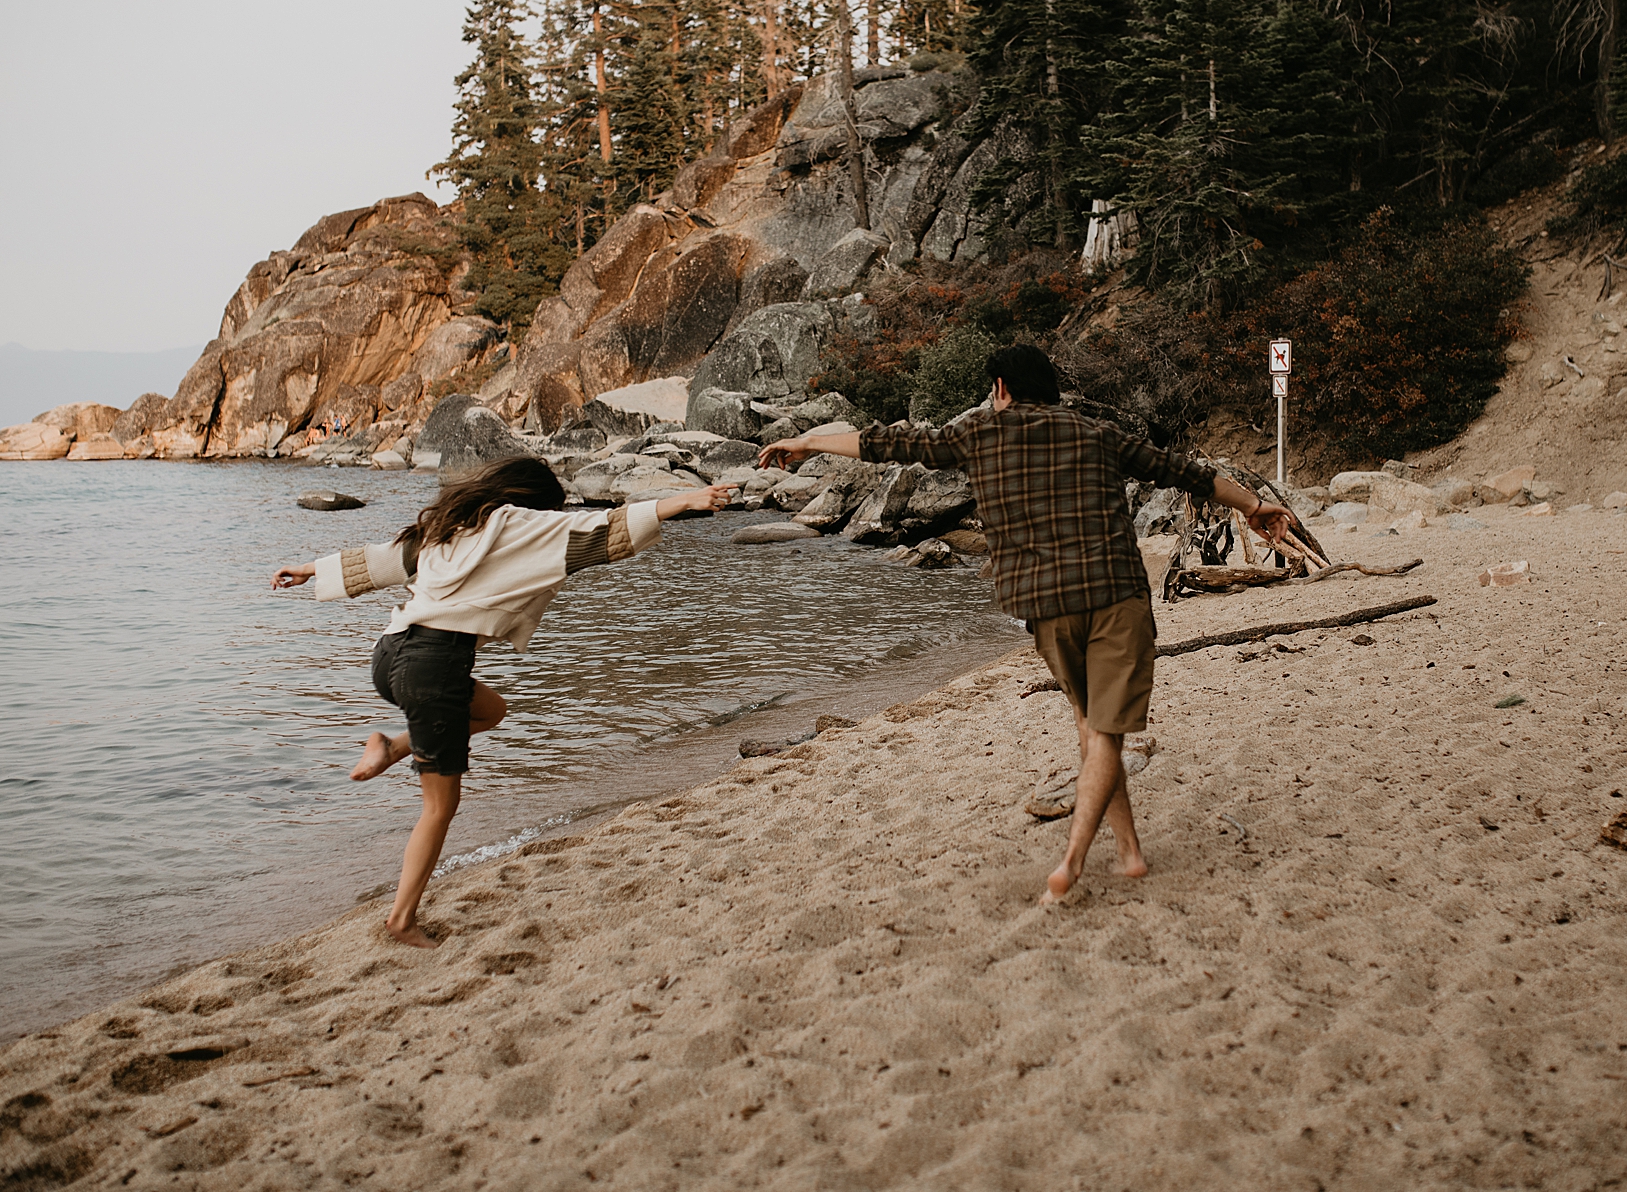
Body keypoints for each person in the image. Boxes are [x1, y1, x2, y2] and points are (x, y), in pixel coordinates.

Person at [758, 344, 1296, 905]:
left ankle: (1131, 853)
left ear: (999, 389)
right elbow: (1186, 473)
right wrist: (1253, 505)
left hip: (1044, 604)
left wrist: (807, 440)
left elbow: (887, 442)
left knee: (1093, 726)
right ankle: (1072, 862)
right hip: (1114, 592)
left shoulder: (974, 435)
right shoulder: (1096, 434)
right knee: (1106, 732)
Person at [272, 456, 731, 946]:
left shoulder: (452, 526)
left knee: (491, 711)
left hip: (389, 655)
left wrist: (308, 569)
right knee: (439, 808)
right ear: (535, 501)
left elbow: (382, 559)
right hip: (434, 667)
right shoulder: (522, 524)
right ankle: (401, 921)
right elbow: (603, 531)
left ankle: (391, 746)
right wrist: (684, 500)